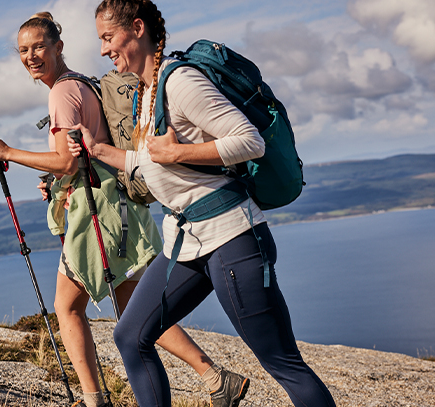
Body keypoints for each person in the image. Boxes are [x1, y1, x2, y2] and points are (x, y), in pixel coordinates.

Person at [67, 1, 338, 406]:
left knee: (282, 362)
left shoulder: (180, 82)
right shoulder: (146, 92)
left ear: (137, 28)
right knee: (131, 335)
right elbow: (149, 161)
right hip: (188, 241)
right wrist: (98, 150)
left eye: (108, 37)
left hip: (232, 237)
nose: (104, 49)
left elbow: (249, 141)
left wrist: (178, 154)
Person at [0, 12, 249, 407]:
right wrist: (55, 182)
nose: (31, 55)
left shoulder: (61, 92)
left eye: (39, 46)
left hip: (97, 212)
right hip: (116, 205)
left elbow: (66, 162)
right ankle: (213, 377)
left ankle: (95, 400)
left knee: (69, 307)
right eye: (23, 50)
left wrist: (8, 152)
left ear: (58, 47)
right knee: (129, 305)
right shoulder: (82, 84)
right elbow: (77, 159)